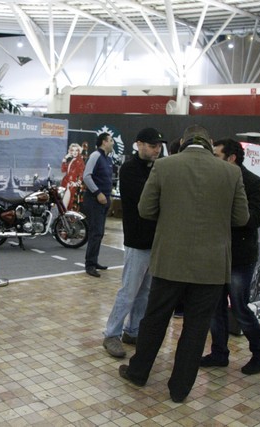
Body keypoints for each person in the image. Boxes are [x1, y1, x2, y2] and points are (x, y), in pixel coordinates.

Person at [118, 125, 249, 403]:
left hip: (170, 260)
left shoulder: (164, 166)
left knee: (155, 319)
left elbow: (145, 209)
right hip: (211, 266)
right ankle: (179, 390)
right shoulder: (231, 172)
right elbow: (241, 218)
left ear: (183, 142)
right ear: (209, 142)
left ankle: (138, 372)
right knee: (196, 328)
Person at [200, 138, 260, 375]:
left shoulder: (254, 183)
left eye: (216, 156)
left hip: (240, 256)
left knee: (239, 308)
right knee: (215, 306)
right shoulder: (214, 181)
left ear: (231, 158)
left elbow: (254, 219)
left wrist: (225, 214)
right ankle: (219, 353)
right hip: (216, 253)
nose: (212, 160)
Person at [102, 128, 164, 358]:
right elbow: (146, 200)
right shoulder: (129, 169)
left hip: (155, 240)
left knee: (144, 292)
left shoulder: (158, 168)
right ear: (139, 144)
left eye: (159, 146)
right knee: (129, 290)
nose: (157, 150)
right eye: (152, 145)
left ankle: (133, 330)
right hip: (137, 240)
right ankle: (112, 333)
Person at [82, 132, 114, 277]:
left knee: (99, 233)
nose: (113, 143)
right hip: (95, 200)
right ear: (104, 142)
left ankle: (94, 261)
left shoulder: (107, 159)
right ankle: (90, 265)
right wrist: (98, 193)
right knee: (96, 232)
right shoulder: (95, 156)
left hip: (104, 200)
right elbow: (86, 176)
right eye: (111, 140)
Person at [60, 143, 85, 211]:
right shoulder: (72, 160)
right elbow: (63, 169)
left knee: (67, 205)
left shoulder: (80, 161)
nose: (74, 152)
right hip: (65, 183)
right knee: (64, 205)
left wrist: (77, 183)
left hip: (71, 185)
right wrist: (65, 158)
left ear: (79, 151)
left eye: (76, 150)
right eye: (72, 150)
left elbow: (81, 174)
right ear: (70, 151)